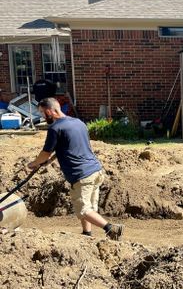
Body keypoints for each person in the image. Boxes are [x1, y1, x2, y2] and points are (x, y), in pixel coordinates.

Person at [28, 97, 124, 240]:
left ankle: (111, 228)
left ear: (49, 111)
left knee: (83, 211)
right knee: (89, 208)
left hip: (81, 175)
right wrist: (50, 161)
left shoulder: (55, 128)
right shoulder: (78, 123)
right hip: (95, 170)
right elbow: (68, 146)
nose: (42, 116)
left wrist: (33, 163)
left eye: (42, 112)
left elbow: (45, 153)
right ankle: (87, 234)